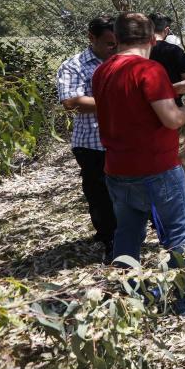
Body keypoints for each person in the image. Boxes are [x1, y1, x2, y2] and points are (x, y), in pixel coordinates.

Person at [92, 12, 185, 314]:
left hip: (117, 170)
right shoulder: (150, 69)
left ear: (117, 39)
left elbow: (130, 101)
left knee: (128, 233)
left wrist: (172, 90)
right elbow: (172, 120)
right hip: (157, 169)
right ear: (151, 39)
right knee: (177, 233)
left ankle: (130, 295)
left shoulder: (103, 71)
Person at [56, 16, 118, 260]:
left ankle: (124, 235)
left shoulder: (125, 62)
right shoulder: (74, 66)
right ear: (92, 38)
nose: (115, 49)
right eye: (109, 44)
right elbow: (71, 103)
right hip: (92, 144)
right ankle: (109, 239)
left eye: (118, 43)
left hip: (122, 142)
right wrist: (121, 101)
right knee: (100, 195)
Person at [148, 13, 185, 172]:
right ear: (166, 30)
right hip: (173, 107)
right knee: (179, 150)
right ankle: (184, 183)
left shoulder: (139, 53)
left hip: (143, 110)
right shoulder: (174, 51)